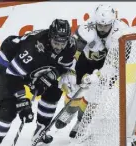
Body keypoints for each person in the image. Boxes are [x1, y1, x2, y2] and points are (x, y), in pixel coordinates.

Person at [0, 19, 77, 146]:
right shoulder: (33, 48)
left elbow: (64, 66)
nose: (59, 47)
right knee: (9, 106)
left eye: (62, 43)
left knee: (54, 89)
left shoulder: (70, 45)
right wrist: (22, 100)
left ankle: (41, 129)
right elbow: (13, 75)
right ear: (50, 37)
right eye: (56, 42)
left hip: (34, 65)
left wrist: (57, 74)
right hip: (9, 63)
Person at [55, 4, 129, 137]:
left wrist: (101, 74)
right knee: (73, 89)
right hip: (85, 61)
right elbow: (73, 52)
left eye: (106, 26)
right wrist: (70, 71)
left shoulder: (121, 31)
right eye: (100, 25)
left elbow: (121, 60)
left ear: (113, 22)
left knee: (95, 96)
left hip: (108, 66)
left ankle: (82, 121)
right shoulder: (86, 29)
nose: (102, 29)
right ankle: (70, 110)